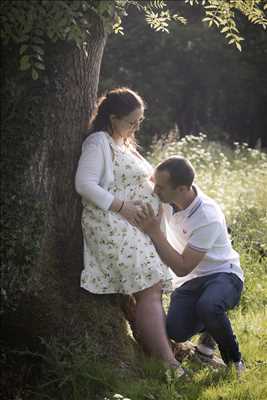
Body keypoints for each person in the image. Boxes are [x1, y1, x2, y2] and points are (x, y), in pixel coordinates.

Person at [75, 87, 183, 375]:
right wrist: (122, 207)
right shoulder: (98, 142)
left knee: (152, 288)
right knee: (149, 288)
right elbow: (84, 185)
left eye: (139, 121)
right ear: (112, 118)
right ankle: (168, 363)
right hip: (110, 223)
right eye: (131, 122)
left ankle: (158, 354)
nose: (136, 127)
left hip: (133, 225)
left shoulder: (123, 143)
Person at [135, 156, 245, 377]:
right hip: (190, 282)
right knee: (176, 330)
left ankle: (235, 362)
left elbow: (182, 267)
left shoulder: (207, 215)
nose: (155, 190)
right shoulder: (169, 198)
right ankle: (212, 329)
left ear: (182, 189)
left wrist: (154, 231)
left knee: (209, 305)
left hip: (223, 275)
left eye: (161, 187)